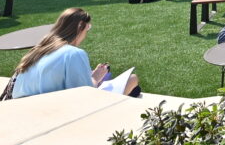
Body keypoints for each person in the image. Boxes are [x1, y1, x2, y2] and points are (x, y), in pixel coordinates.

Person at [12, 7, 140, 98]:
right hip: (54, 113)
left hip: (27, 108)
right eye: (88, 27)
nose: (87, 32)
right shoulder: (74, 53)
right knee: (132, 79)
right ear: (80, 26)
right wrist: (96, 77)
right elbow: (84, 94)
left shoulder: (38, 51)